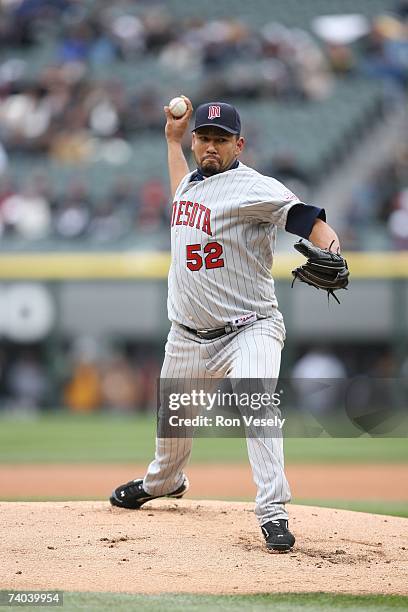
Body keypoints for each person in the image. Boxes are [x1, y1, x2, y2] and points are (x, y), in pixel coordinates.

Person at [110, 97, 342, 553]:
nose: (211, 146)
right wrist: (172, 142)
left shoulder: (254, 188)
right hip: (187, 336)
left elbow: (308, 220)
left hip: (248, 328)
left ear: (239, 143)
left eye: (220, 139)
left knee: (256, 403)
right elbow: (181, 189)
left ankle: (273, 510)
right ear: (196, 140)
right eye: (204, 138)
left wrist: (333, 250)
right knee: (171, 435)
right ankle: (164, 483)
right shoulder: (191, 184)